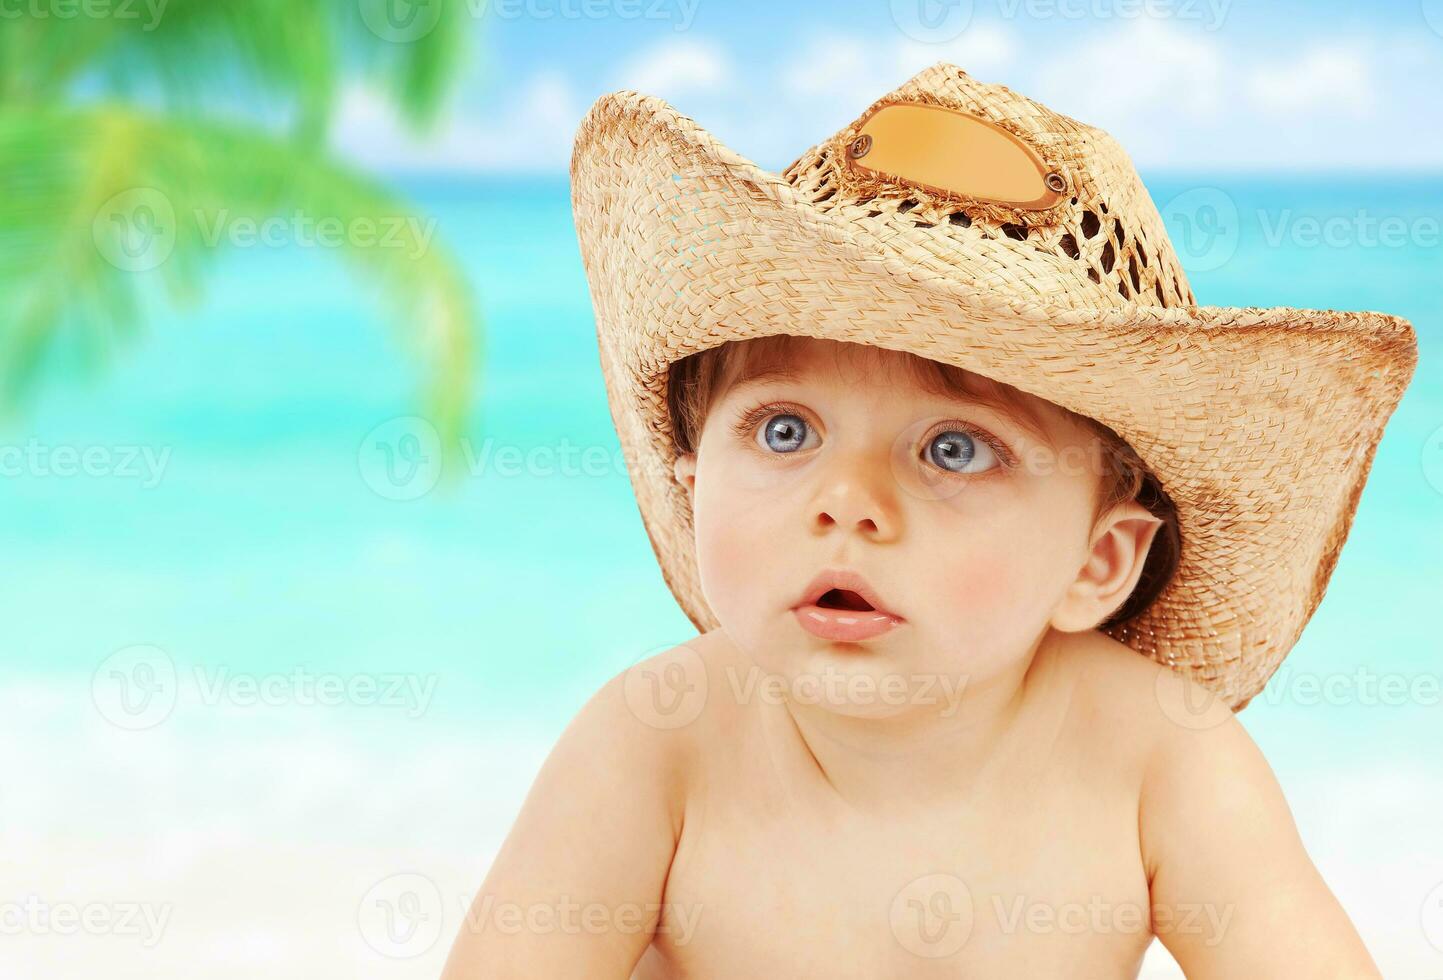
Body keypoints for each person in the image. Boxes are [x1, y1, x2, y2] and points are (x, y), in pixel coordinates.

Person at [441, 62, 1416, 977]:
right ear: (692, 478)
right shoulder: (656, 746)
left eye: (955, 448)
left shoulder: (1161, 758)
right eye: (784, 429)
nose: (846, 500)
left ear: (1098, 559)